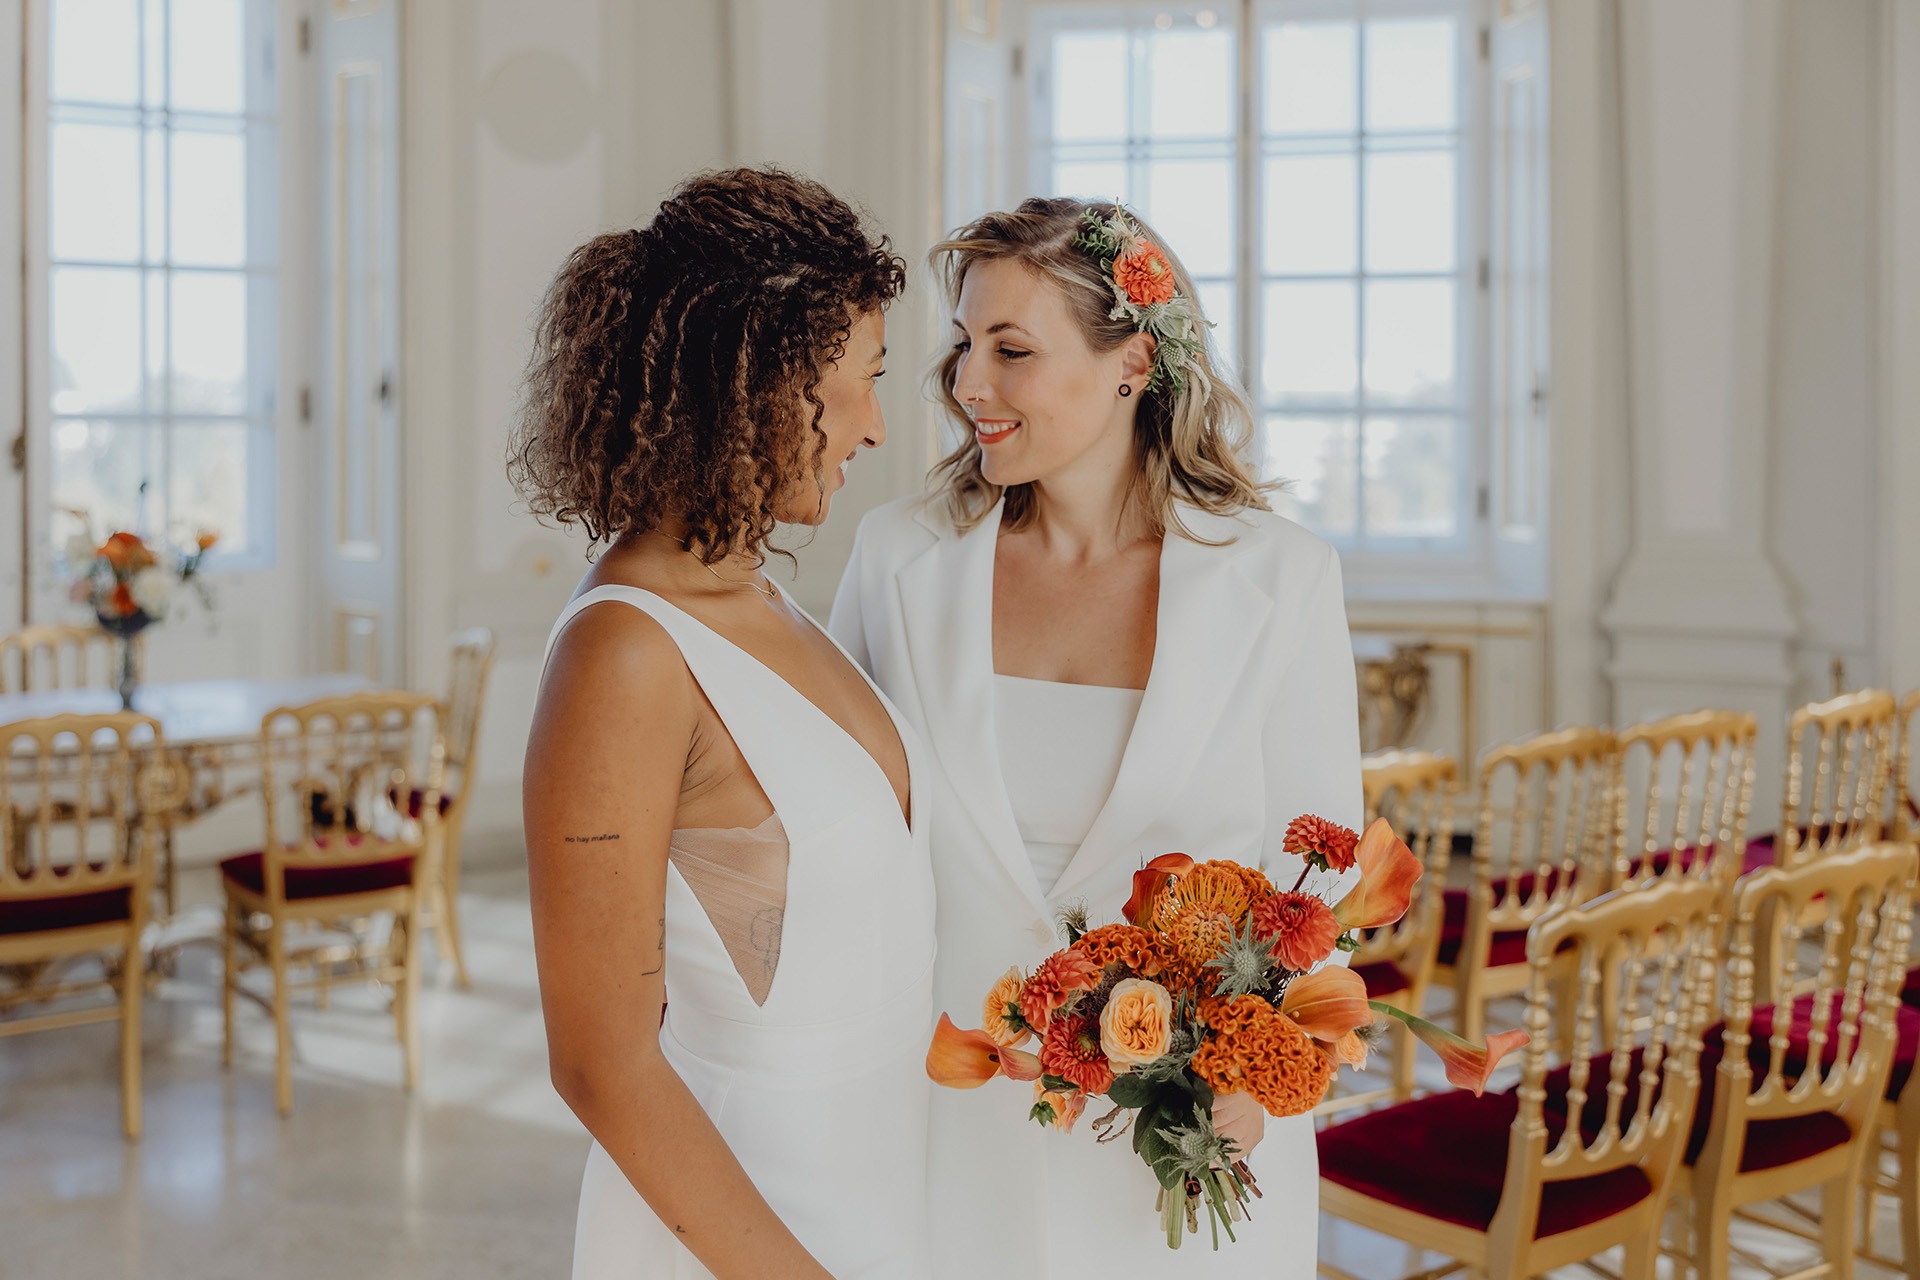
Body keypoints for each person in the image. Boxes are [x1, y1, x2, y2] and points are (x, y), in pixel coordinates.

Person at [830, 197, 1363, 1278]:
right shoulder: (898, 558)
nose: (968, 384)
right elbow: (842, 825)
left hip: (1183, 1140)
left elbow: (1323, 883)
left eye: (1012, 349)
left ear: (1132, 361)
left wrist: (1248, 1079)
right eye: (964, 345)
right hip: (951, 1112)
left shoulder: (1281, 576)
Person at [514, 167, 933, 1279]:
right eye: (861, 382)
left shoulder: (765, 596)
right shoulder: (624, 654)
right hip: (743, 1228)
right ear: (761, 383)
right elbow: (600, 1062)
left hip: (878, 1183)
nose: (878, 425)